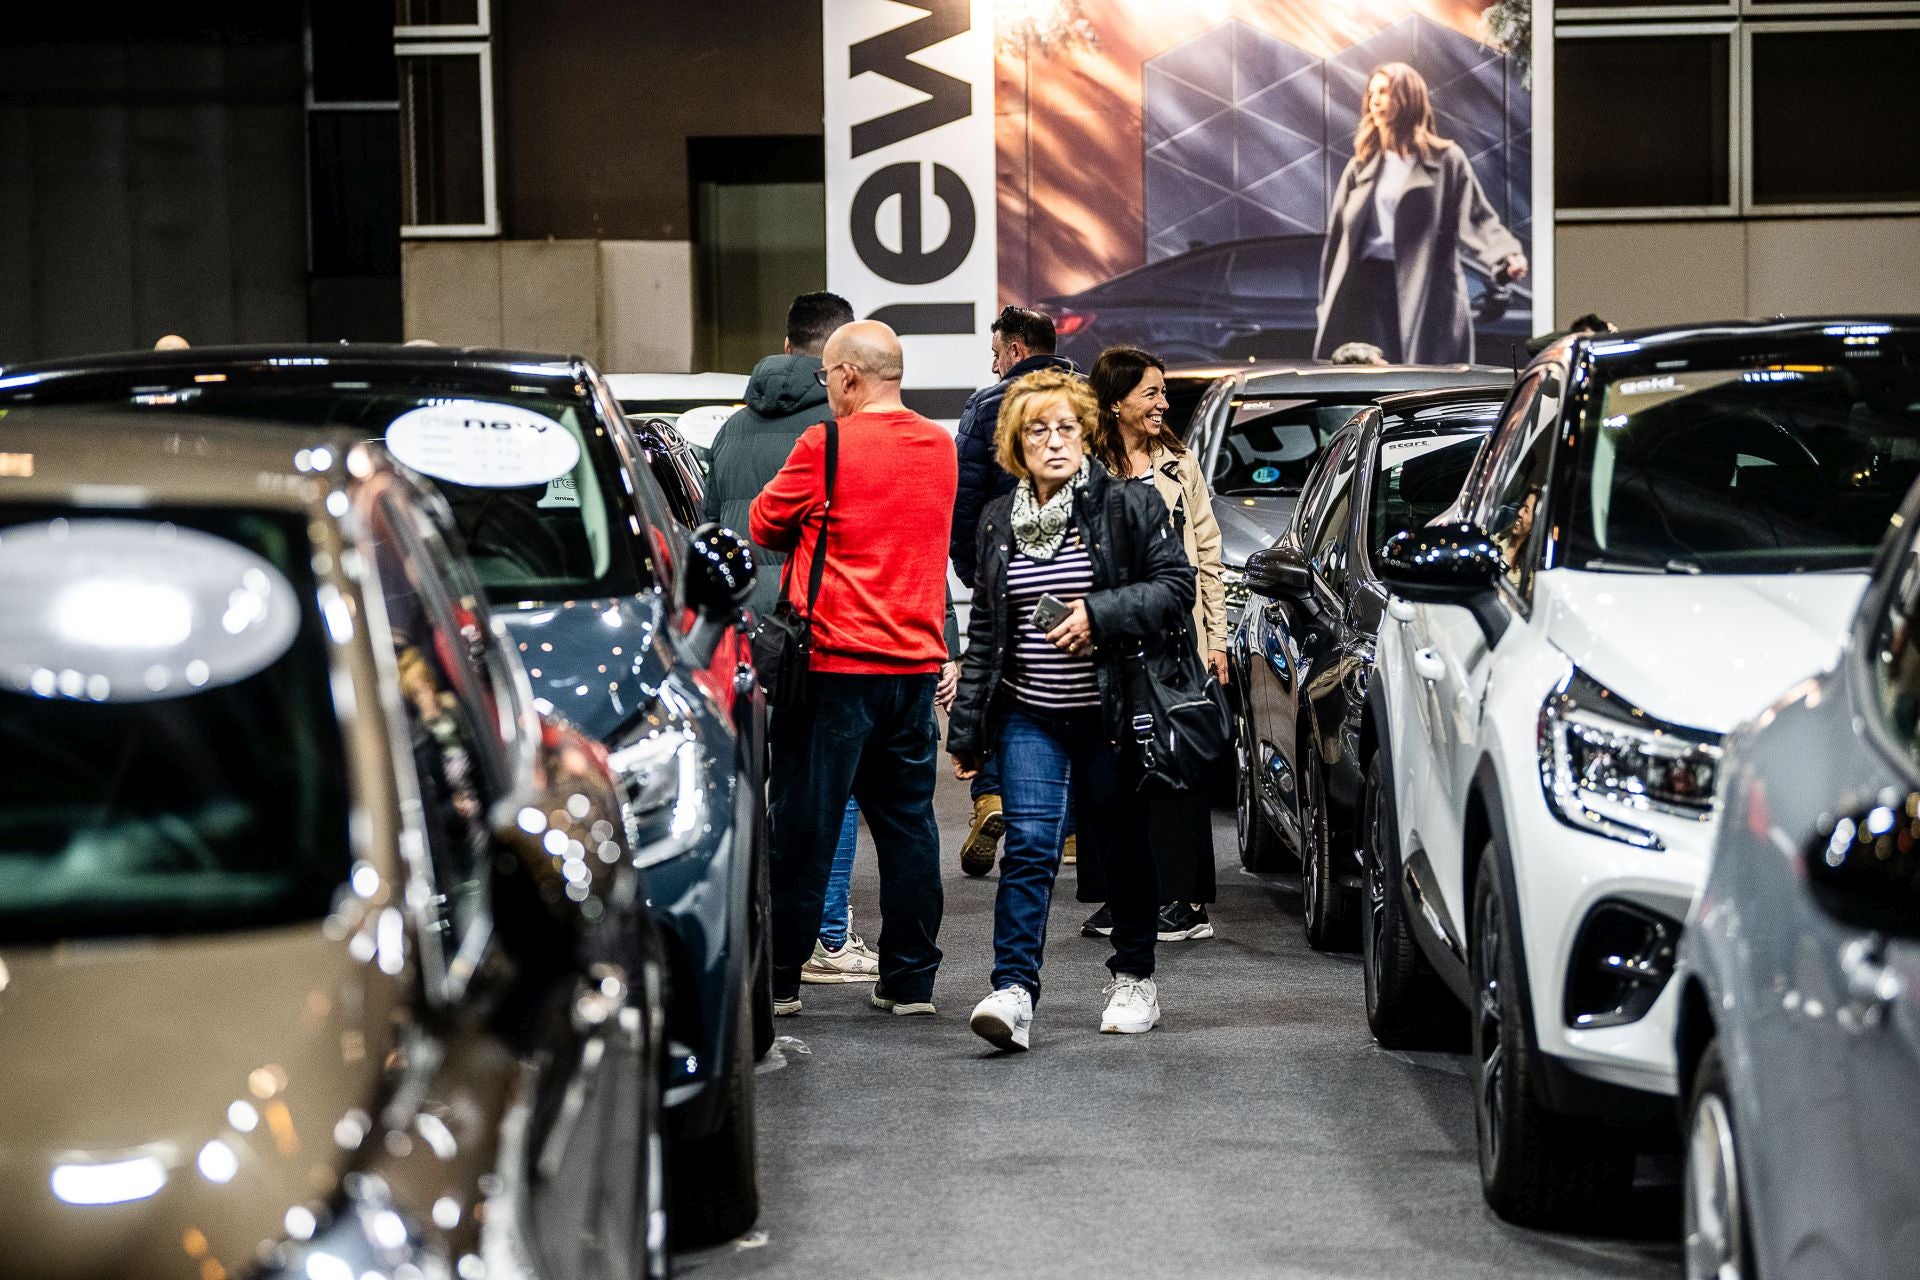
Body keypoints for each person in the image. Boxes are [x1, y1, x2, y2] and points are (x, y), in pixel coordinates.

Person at [948, 368, 1195, 1048]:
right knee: (1028, 845)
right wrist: (969, 725)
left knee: (1119, 844)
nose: (1054, 442)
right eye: (1037, 430)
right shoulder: (999, 522)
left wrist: (1099, 612)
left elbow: (1176, 588)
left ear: (1085, 434)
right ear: (1014, 444)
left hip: (1111, 711)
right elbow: (989, 635)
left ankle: (1134, 976)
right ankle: (1013, 990)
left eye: (1065, 428)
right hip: (1031, 713)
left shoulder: (1126, 506)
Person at [750, 320, 957, 1018]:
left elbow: (762, 523)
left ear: (846, 377)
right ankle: (909, 984)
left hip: (834, 669)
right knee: (908, 829)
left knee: (802, 829)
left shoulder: (825, 444)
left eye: (827, 380)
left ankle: (778, 981)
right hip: (914, 672)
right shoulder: (941, 446)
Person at [703, 291, 880, 983]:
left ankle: (764, 935)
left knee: (754, 782)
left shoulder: (730, 432)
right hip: (818, 632)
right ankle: (827, 939)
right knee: (829, 789)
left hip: (742, 630)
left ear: (786, 344)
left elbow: (711, 533)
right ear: (843, 358)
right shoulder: (847, 433)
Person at [1085, 346, 1227, 943]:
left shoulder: (1179, 461)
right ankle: (1128, 896)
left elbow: (1210, 554)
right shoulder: (1086, 465)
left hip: (1176, 641)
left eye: (1163, 392)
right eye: (1151, 392)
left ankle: (1185, 902)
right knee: (1118, 768)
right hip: (1107, 642)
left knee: (1178, 760)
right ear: (1115, 402)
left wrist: (1216, 638)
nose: (1163, 402)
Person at [949, 305, 1079, 877]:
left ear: (1019, 350)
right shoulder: (1086, 397)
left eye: (997, 351)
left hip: (1007, 567)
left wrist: (968, 563)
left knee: (1007, 682)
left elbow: (966, 494)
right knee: (1073, 688)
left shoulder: (987, 405)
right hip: (1078, 573)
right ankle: (1069, 826)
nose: (993, 362)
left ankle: (994, 796)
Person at [1313, 62, 1528, 365]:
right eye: (1372, 92)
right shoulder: (1361, 165)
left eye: (1385, 92)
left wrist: (1505, 255)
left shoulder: (1445, 160)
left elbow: (1477, 216)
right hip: (1367, 290)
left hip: (1424, 289)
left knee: (1419, 382)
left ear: (1408, 98)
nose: (1375, 100)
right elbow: (1338, 241)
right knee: (1368, 378)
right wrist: (1326, 304)